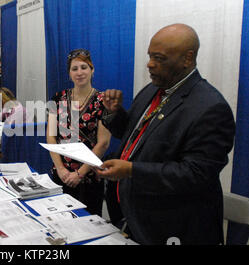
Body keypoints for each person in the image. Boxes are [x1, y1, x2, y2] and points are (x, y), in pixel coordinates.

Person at [95, 24, 236, 245]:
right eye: (150, 56)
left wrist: (131, 170)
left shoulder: (210, 108)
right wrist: (114, 113)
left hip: (172, 228)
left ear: (187, 58)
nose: (150, 64)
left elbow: (196, 174)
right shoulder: (152, 90)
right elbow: (134, 138)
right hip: (134, 219)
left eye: (159, 58)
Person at [46, 49, 111, 216]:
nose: (79, 72)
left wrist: (80, 174)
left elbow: (103, 143)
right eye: (74, 69)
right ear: (69, 73)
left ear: (92, 70)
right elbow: (51, 136)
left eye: (84, 67)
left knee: (89, 225)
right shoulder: (58, 98)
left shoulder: (103, 101)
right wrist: (61, 169)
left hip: (89, 176)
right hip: (61, 174)